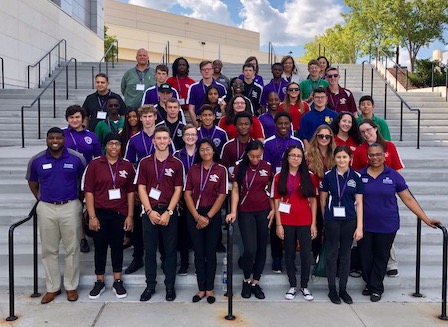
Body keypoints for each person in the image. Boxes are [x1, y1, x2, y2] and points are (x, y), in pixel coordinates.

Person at [358, 143, 440, 302]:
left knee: (381, 257)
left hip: (387, 225)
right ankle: (369, 283)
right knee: (365, 257)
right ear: (367, 157)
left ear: (384, 156)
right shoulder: (360, 175)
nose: (375, 158)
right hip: (364, 225)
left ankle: (376, 288)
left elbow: (408, 198)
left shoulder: (394, 176)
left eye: (378, 154)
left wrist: (425, 219)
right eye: (371, 155)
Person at [26, 127, 86, 304]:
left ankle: (71, 286)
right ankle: (52, 287)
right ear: (46, 139)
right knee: (49, 249)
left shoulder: (76, 158)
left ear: (64, 139)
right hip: (46, 208)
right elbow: (32, 183)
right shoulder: (37, 160)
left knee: (72, 248)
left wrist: (78, 202)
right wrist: (41, 199)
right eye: (51, 138)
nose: (55, 140)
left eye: (58, 138)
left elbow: (83, 183)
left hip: (70, 206)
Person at [83, 133, 135, 300]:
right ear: (105, 145)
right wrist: (92, 216)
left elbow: (130, 192)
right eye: (111, 143)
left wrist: (130, 216)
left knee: (117, 247)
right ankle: (99, 281)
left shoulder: (127, 166)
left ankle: (117, 280)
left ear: (121, 146)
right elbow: (89, 191)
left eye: (117, 144)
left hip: (120, 212)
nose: (114, 147)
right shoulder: (95, 164)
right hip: (100, 212)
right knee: (100, 247)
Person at [135, 126, 184, 302]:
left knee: (170, 251)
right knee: (149, 252)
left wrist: (169, 212)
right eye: (159, 138)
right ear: (153, 141)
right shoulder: (145, 162)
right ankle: (150, 286)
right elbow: (140, 187)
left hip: (169, 212)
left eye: (165, 138)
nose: (162, 141)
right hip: (149, 212)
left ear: (170, 140)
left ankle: (170, 286)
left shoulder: (176, 163)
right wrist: (149, 211)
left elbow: (179, 189)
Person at [226, 140, 274, 300]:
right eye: (252, 156)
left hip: (263, 211)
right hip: (245, 211)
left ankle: (256, 281)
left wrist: (273, 209)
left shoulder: (267, 166)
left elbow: (270, 189)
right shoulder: (240, 167)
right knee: (250, 249)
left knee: (261, 247)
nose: (255, 159)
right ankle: (246, 279)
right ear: (247, 154)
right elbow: (235, 190)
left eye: (258, 156)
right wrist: (233, 212)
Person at [184, 138, 228, 304]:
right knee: (199, 252)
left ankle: (209, 289)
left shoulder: (221, 169)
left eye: (208, 149)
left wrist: (208, 217)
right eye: (202, 150)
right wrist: (197, 216)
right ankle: (201, 288)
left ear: (214, 151)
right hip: (194, 214)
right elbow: (187, 193)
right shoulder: (193, 169)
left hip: (212, 215)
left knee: (210, 252)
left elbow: (222, 195)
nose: (205, 152)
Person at [272, 145, 318, 301]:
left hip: (305, 221)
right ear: (287, 157)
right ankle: (292, 285)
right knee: (289, 254)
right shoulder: (279, 176)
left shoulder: (309, 176)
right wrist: (278, 224)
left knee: (306, 255)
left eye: (298, 156)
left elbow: (313, 200)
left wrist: (313, 224)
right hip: (286, 221)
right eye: (292, 155)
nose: (295, 158)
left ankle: (304, 285)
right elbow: (276, 201)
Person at [320, 145, 364, 304]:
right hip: (332, 220)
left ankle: (343, 289)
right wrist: (326, 217)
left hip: (350, 220)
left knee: (345, 255)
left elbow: (359, 203)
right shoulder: (328, 176)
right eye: (339, 157)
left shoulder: (356, 177)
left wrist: (359, 227)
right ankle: (332, 289)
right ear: (334, 158)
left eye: (345, 157)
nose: (342, 160)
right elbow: (323, 199)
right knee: (332, 254)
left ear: (350, 158)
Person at [123, 105, 158, 275]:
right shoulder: (134, 140)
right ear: (140, 119)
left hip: (160, 189)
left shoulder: (162, 137)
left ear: (155, 117)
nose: (148, 120)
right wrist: (134, 189)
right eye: (145, 117)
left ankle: (165, 259)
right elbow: (128, 166)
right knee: (138, 227)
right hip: (140, 188)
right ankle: (138, 258)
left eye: (150, 116)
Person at [63, 105, 102, 253]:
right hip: (68, 176)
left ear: (83, 118)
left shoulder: (91, 136)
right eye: (71, 117)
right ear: (67, 119)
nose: (74, 120)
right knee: (76, 207)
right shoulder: (62, 134)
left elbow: (97, 157)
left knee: (91, 204)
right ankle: (82, 237)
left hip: (88, 175)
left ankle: (92, 228)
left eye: (77, 117)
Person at [306, 125, 336, 260]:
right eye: (321, 136)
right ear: (316, 137)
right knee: (316, 228)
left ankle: (328, 258)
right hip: (313, 198)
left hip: (332, 198)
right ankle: (316, 256)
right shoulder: (308, 155)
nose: (324, 139)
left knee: (330, 229)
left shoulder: (336, 154)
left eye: (327, 136)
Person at [173, 124, 199, 275]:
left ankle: (198, 263)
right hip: (181, 200)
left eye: (193, 134)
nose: (190, 137)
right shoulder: (176, 155)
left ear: (197, 137)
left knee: (198, 233)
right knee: (183, 233)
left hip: (199, 199)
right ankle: (184, 263)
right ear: (182, 137)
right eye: (187, 134)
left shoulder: (202, 153)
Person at [186, 60, 226, 126]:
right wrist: (197, 125)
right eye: (204, 69)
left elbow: (224, 107)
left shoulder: (221, 87)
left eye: (209, 69)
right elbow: (191, 109)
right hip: (199, 122)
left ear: (213, 70)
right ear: (200, 72)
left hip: (217, 122)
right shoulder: (194, 87)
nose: (206, 71)